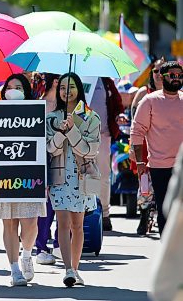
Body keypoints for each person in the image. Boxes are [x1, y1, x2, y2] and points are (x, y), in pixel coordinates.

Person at [46, 73, 100, 287]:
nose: (66, 92)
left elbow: (90, 150)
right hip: (58, 175)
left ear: (79, 89)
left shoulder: (91, 117)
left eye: (71, 87)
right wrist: (61, 131)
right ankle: (67, 269)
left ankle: (76, 268)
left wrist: (73, 130)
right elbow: (50, 148)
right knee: (62, 222)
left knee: (78, 224)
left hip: (83, 176)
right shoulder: (52, 118)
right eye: (62, 88)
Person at [0, 74, 46, 286]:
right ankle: (14, 268)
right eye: (9, 86)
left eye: (18, 87)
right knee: (9, 223)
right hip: (2, 175)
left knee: (30, 222)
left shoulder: (37, 112)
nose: (13, 90)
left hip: (29, 175)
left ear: (26, 91)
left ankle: (26, 254)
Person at [130, 61, 183, 236]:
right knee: (165, 208)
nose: (176, 79)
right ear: (162, 76)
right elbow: (137, 132)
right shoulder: (149, 101)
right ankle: (166, 248)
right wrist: (139, 162)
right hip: (160, 167)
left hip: (181, 165)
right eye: (172, 75)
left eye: (179, 75)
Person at [89, 77, 124, 231]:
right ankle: (89, 213)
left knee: (103, 176)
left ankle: (104, 214)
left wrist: (118, 116)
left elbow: (117, 104)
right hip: (80, 136)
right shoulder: (75, 78)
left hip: (103, 135)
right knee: (87, 176)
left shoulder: (106, 81)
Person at [35, 72, 60, 265]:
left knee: (62, 204)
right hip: (41, 159)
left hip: (62, 160)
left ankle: (61, 244)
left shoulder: (69, 108)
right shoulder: (37, 104)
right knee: (45, 204)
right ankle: (41, 246)